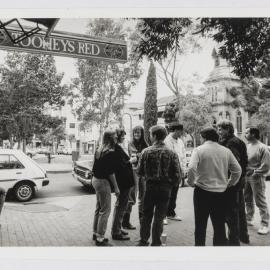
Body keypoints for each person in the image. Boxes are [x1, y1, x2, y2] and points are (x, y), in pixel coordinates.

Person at [187, 127, 242, 246]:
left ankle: (200, 251)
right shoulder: (226, 151)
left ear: (204, 137)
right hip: (221, 193)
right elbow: (237, 170)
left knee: (200, 225)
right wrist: (230, 183)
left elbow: (191, 168)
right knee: (219, 225)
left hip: (202, 192)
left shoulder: (199, 150)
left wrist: (191, 182)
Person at [137, 125, 181, 246]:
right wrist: (170, 185)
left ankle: (143, 240)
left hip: (150, 187)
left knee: (146, 215)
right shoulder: (172, 153)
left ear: (155, 136)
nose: (150, 137)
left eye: (151, 134)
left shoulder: (145, 152)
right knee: (159, 217)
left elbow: (139, 172)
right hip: (165, 189)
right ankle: (156, 242)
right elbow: (178, 175)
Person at [217, 119, 249, 245]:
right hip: (239, 181)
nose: (218, 131)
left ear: (228, 129)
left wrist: (229, 181)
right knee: (239, 210)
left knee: (231, 212)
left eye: (221, 129)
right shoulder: (237, 141)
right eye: (218, 129)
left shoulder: (231, 143)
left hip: (232, 183)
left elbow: (234, 163)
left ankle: (233, 241)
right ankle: (243, 236)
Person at [92, 129, 120, 246]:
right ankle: (100, 238)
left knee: (99, 208)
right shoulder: (110, 152)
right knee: (106, 210)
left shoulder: (99, 149)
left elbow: (95, 166)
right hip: (103, 182)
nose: (117, 138)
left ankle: (95, 233)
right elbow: (111, 172)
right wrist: (116, 188)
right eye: (115, 136)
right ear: (110, 138)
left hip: (95, 180)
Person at [244, 127, 270, 235]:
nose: (245, 134)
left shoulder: (262, 147)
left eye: (247, 132)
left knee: (260, 201)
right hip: (246, 177)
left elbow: (266, 165)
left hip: (257, 177)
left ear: (253, 134)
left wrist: (255, 173)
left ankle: (265, 225)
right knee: (247, 198)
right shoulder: (247, 146)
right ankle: (249, 218)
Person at [111, 128, 135, 240]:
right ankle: (116, 231)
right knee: (121, 206)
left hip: (124, 181)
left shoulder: (117, 147)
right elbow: (121, 165)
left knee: (121, 206)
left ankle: (118, 227)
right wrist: (131, 161)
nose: (124, 138)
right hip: (123, 181)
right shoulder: (115, 148)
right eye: (122, 136)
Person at [123, 126, 148, 228]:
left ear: (142, 133)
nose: (137, 135)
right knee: (132, 196)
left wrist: (140, 155)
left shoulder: (145, 144)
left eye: (139, 133)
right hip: (134, 171)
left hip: (143, 172)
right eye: (135, 133)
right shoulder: (131, 143)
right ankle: (125, 222)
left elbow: (143, 155)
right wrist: (141, 154)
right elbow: (134, 156)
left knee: (143, 197)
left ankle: (142, 221)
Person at [163, 122, 186, 224]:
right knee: (167, 193)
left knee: (174, 193)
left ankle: (171, 213)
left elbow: (183, 155)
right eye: (181, 131)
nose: (182, 133)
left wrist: (183, 169)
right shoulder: (167, 141)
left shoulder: (180, 141)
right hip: (170, 171)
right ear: (176, 130)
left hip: (178, 169)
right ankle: (163, 215)